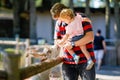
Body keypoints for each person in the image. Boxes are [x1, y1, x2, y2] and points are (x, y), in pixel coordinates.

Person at [50, 3, 96, 80]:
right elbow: (56, 40)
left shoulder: (80, 18)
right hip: (68, 62)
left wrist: (72, 44)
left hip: (85, 61)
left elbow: (90, 37)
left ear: (65, 13)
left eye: (60, 18)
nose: (60, 20)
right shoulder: (59, 23)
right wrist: (64, 42)